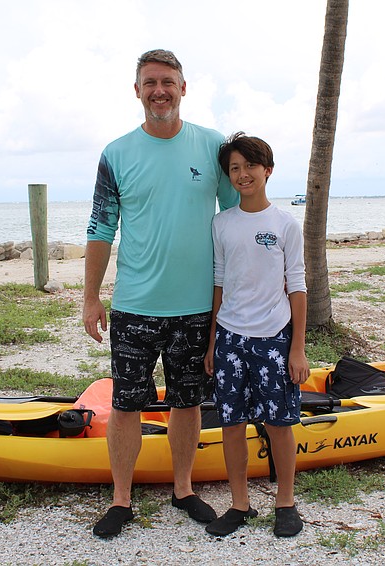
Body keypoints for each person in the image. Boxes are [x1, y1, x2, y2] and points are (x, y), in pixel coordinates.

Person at [83, 49, 240, 538]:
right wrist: (91, 297)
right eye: (150, 82)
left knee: (187, 402)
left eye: (168, 82)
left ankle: (184, 489)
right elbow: (100, 227)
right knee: (127, 404)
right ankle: (121, 499)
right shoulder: (116, 153)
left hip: (195, 307)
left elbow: (236, 220)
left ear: (184, 87)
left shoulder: (213, 148)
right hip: (134, 307)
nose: (159, 91)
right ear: (137, 90)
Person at [203, 132, 309, 537]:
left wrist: (297, 348)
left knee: (280, 423)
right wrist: (213, 341)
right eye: (234, 168)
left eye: (250, 166)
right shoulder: (221, 224)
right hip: (230, 337)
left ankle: (285, 502)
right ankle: (239, 504)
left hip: (274, 339)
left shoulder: (284, 224)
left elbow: (297, 285)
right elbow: (218, 283)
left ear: (267, 170)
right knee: (231, 424)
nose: (242, 174)